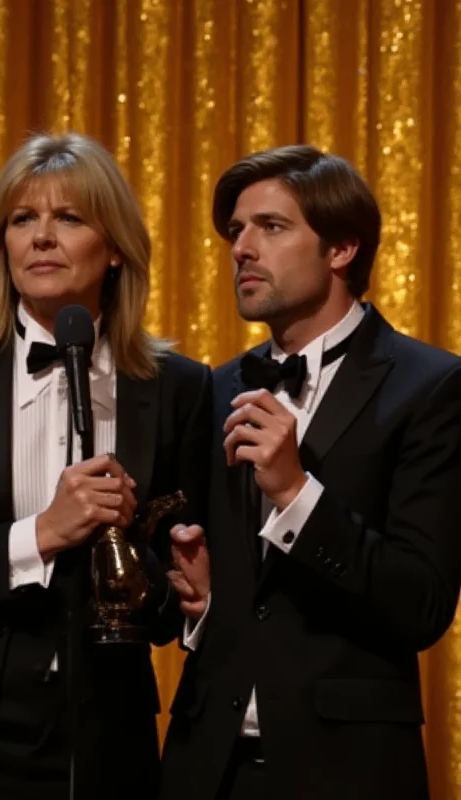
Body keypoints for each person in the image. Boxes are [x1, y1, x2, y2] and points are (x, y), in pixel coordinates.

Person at [0, 132, 211, 800]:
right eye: (23, 219)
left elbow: (169, 600)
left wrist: (186, 595)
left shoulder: (179, 387)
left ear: (114, 248)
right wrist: (42, 534)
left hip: (104, 740)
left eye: (69, 218)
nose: (41, 238)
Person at [161, 144, 461, 800]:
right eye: (236, 231)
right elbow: (214, 593)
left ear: (342, 248)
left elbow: (423, 605)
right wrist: (204, 600)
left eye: (271, 227)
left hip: (348, 767)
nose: (242, 248)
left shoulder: (432, 387)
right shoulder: (212, 390)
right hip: (205, 765)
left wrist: (297, 493)